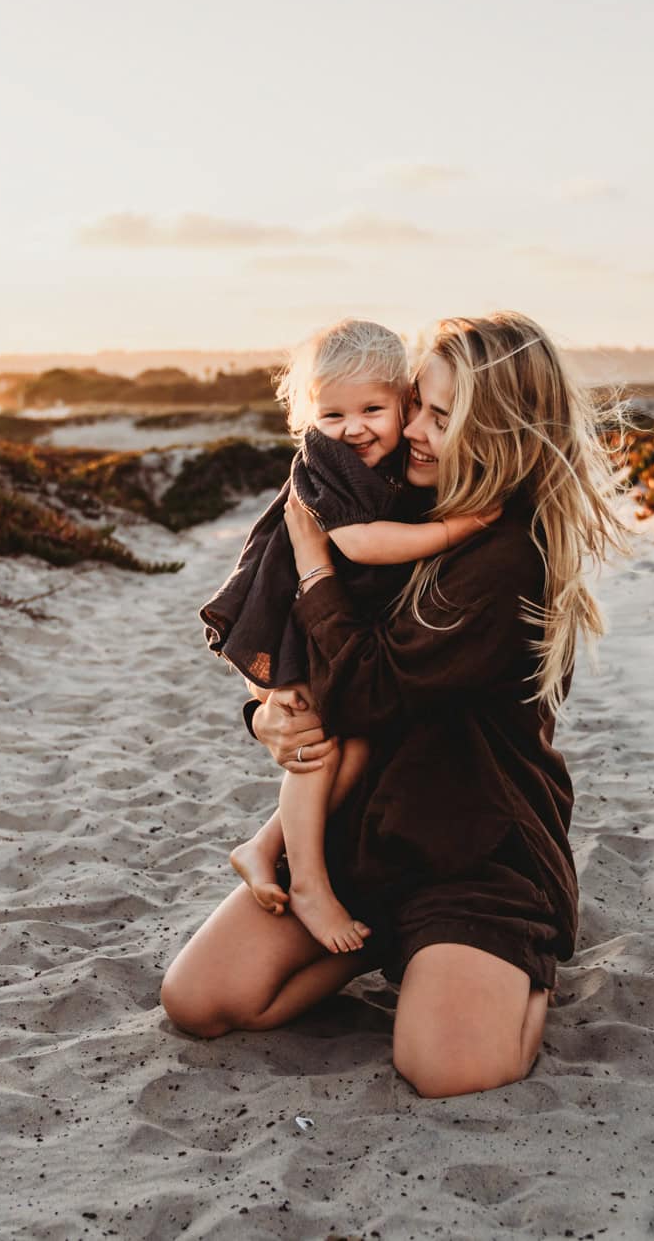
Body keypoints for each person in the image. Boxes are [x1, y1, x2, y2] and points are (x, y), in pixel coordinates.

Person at [161, 311, 626, 1098]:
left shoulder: (507, 553)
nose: (409, 428)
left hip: (472, 849)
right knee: (198, 1000)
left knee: (444, 1067)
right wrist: (266, 713)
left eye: (440, 418)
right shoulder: (386, 495)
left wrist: (315, 567)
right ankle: (377, 944)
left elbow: (369, 689)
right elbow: (290, 643)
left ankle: (518, 967)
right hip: (369, 833)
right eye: (416, 403)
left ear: (502, 434)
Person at [198, 318, 498, 955]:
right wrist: (455, 531)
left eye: (373, 409)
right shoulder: (329, 465)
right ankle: (306, 880)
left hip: (324, 621)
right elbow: (357, 543)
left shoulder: (394, 465)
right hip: (289, 614)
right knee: (321, 746)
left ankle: (264, 845)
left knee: (350, 747)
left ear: (403, 403)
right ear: (308, 415)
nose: (354, 427)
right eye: (332, 413)